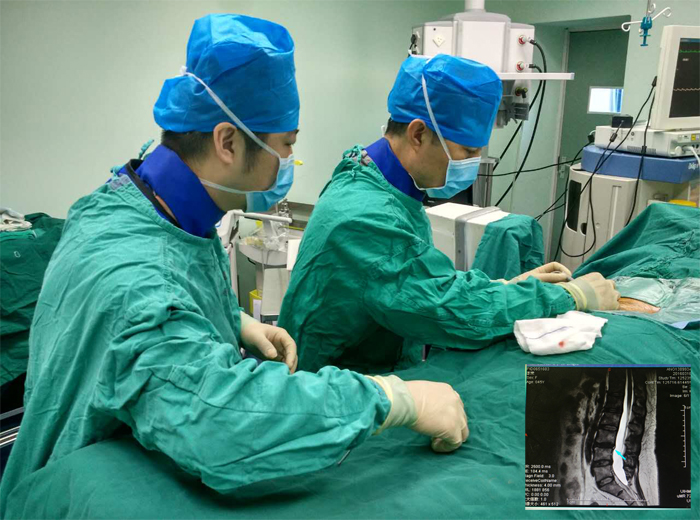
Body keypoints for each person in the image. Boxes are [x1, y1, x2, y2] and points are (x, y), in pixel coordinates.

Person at [0, 15, 468, 511]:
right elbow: (222, 421)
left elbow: (167, 290)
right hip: (81, 496)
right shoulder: (140, 288)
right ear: (227, 142)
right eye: (286, 145)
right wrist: (393, 400)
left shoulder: (135, 199)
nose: (289, 162)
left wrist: (233, 319)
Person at [277, 54, 620, 374]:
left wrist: (503, 287)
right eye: (467, 151)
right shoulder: (368, 217)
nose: (473, 163)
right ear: (418, 134)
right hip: (340, 388)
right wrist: (570, 296)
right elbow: (445, 308)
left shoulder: (372, 174)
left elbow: (416, 278)